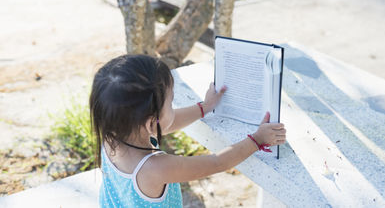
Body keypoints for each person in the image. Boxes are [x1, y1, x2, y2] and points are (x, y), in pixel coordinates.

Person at [90, 54, 286, 208]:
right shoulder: (155, 168)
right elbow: (216, 162)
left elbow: (167, 122)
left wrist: (205, 107)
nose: (173, 107)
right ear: (151, 123)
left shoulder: (113, 133)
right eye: (170, 101)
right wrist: (258, 139)